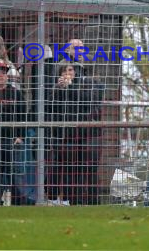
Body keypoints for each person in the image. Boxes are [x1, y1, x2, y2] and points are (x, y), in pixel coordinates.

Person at [45, 62, 104, 205]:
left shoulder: (83, 85)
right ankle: (53, 198)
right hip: (60, 134)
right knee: (57, 168)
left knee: (75, 169)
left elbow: (86, 103)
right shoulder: (55, 87)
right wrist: (57, 89)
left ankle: (70, 200)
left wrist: (70, 87)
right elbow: (49, 107)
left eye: (70, 70)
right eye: (64, 71)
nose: (67, 74)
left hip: (78, 134)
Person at [0, 61, 28, 205]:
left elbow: (23, 116)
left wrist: (21, 136)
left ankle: (17, 201)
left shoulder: (15, 93)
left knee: (14, 171)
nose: (1, 76)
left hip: (12, 138)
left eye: (4, 73)